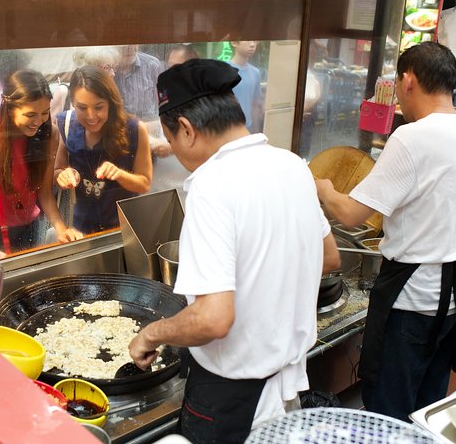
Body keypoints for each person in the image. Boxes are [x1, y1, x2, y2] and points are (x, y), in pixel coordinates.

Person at [128, 59, 340, 443]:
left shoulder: (212, 186)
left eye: (171, 140)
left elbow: (213, 319)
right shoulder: (292, 164)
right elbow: (328, 257)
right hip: (287, 388)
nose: (174, 151)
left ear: (187, 130)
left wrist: (152, 335)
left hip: (230, 401)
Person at [315, 42, 456, 422]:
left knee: (388, 409)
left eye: (396, 84)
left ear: (408, 80)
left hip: (412, 301)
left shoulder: (411, 138)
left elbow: (349, 214)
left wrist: (323, 188)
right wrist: (450, 235)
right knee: (429, 401)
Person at [0, 69, 82, 261]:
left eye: (44, 113)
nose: (38, 121)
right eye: (30, 114)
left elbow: (45, 193)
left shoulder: (50, 134)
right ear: (9, 106)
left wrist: (62, 230)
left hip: (30, 226)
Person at [54, 65, 152, 235]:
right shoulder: (67, 124)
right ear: (72, 103)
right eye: (82, 108)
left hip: (123, 229)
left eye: (99, 107)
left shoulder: (135, 129)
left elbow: (144, 184)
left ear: (111, 103)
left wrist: (119, 174)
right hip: (81, 229)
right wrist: (64, 175)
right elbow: (57, 171)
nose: (91, 116)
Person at [228, 40, 264, 133]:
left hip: (248, 129)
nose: (252, 44)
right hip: (229, 129)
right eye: (248, 40)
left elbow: (255, 105)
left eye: (254, 41)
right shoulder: (224, 70)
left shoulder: (255, 72)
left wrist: (256, 133)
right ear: (234, 42)